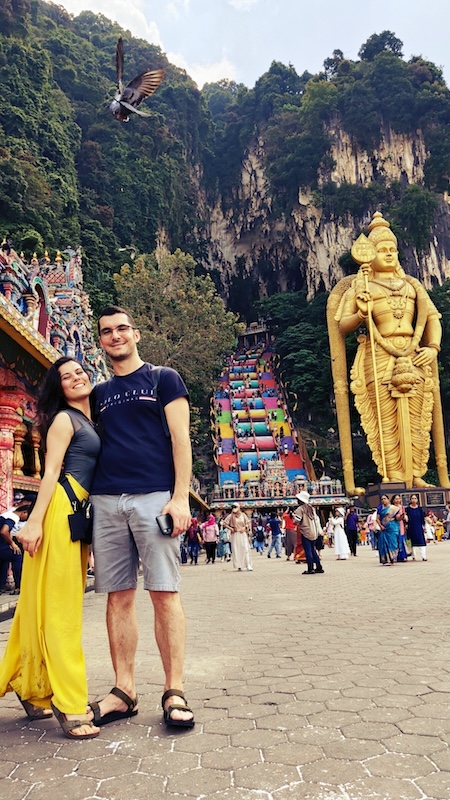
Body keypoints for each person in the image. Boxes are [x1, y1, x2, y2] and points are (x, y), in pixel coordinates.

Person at [88, 306, 194, 729]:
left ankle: (174, 690)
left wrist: (180, 498)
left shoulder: (163, 378)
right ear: (100, 341)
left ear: (135, 334)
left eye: (122, 329)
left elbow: (181, 439)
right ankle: (124, 690)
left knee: (164, 592)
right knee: (117, 596)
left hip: (154, 496)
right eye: (107, 332)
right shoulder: (98, 393)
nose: (115, 336)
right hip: (107, 499)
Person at [0, 357, 101, 739]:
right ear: (59, 388)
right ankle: (69, 702)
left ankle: (29, 687)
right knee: (62, 611)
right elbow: (52, 472)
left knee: (35, 608)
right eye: (66, 376)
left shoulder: (91, 420)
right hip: (61, 512)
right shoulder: (64, 420)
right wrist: (35, 522)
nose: (76, 378)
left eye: (79, 372)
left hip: (77, 516)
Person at [329, 210, 449, 494]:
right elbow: (342, 324)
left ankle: (417, 473)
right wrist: (361, 313)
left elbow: (433, 318)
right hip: (378, 355)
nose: (389, 254)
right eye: (382, 250)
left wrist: (432, 347)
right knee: (384, 418)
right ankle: (392, 473)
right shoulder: (361, 286)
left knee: (419, 417)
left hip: (413, 352)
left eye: (392, 250)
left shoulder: (412, 285)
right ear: (369, 255)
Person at [0, 504, 30, 594]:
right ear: (24, 512)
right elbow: (4, 531)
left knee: (4, 560)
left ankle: (1, 585)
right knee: (17, 555)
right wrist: (12, 544)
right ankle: (19, 586)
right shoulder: (14, 517)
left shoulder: (5, 514)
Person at [294, 491, 324, 575]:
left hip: (306, 532)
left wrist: (294, 518)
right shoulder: (311, 508)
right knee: (313, 550)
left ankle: (310, 568)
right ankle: (319, 567)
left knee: (308, 551)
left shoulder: (300, 509)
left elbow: (297, 520)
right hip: (314, 532)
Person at [222, 503, 253, 571]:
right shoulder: (231, 516)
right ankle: (239, 565)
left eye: (236, 507)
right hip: (235, 534)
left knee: (245, 549)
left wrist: (245, 528)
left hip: (242, 533)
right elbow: (224, 523)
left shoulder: (243, 515)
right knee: (236, 550)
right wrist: (231, 528)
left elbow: (248, 523)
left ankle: (247, 564)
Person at [376, 494, 401, 565]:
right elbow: (377, 518)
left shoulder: (393, 508)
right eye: (382, 499)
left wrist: (401, 517)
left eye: (385, 499)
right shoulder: (380, 508)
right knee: (383, 543)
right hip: (384, 528)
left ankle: (393, 558)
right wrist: (380, 526)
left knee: (393, 542)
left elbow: (397, 518)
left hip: (392, 527)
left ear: (388, 499)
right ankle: (386, 559)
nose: (383, 500)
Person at [406, 494, 427, 561]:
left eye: (415, 498)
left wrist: (424, 527)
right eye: (412, 498)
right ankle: (413, 556)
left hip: (419, 527)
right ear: (410, 500)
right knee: (412, 542)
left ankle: (423, 556)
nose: (414, 500)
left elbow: (422, 518)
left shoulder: (419, 509)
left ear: (417, 500)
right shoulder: (408, 509)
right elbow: (406, 519)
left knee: (421, 541)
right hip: (411, 527)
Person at [392, 494, 409, 561]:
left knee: (402, 540)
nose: (397, 500)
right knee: (395, 541)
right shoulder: (392, 507)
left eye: (399, 498)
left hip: (401, 524)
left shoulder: (401, 507)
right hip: (394, 524)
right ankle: (396, 556)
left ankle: (403, 556)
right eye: (396, 499)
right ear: (393, 500)